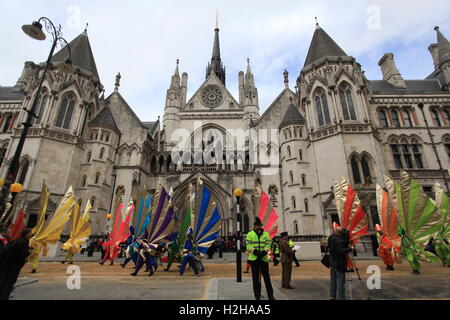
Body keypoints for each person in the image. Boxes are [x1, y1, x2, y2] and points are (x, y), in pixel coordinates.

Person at [246, 217, 275, 300]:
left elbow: (268, 244)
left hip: (263, 259)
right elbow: (248, 245)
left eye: (258, 225)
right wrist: (255, 251)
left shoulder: (266, 234)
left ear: (260, 226)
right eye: (255, 225)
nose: (256, 227)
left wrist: (264, 252)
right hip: (254, 259)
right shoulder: (250, 234)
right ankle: (257, 296)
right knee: (255, 279)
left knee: (266, 278)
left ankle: (270, 296)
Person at [0, 229, 32, 300]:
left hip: (9, 264)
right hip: (14, 265)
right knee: (9, 282)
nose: (31, 234)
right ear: (26, 234)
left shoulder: (16, 240)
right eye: (30, 233)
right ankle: (4, 296)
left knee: (5, 281)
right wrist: (29, 251)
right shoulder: (23, 242)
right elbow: (23, 254)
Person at [327, 226, 353, 300]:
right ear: (340, 232)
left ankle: (333, 295)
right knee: (340, 281)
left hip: (332, 261)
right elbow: (341, 251)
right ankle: (342, 297)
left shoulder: (331, 237)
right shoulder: (340, 240)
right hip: (339, 263)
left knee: (333, 279)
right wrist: (350, 248)